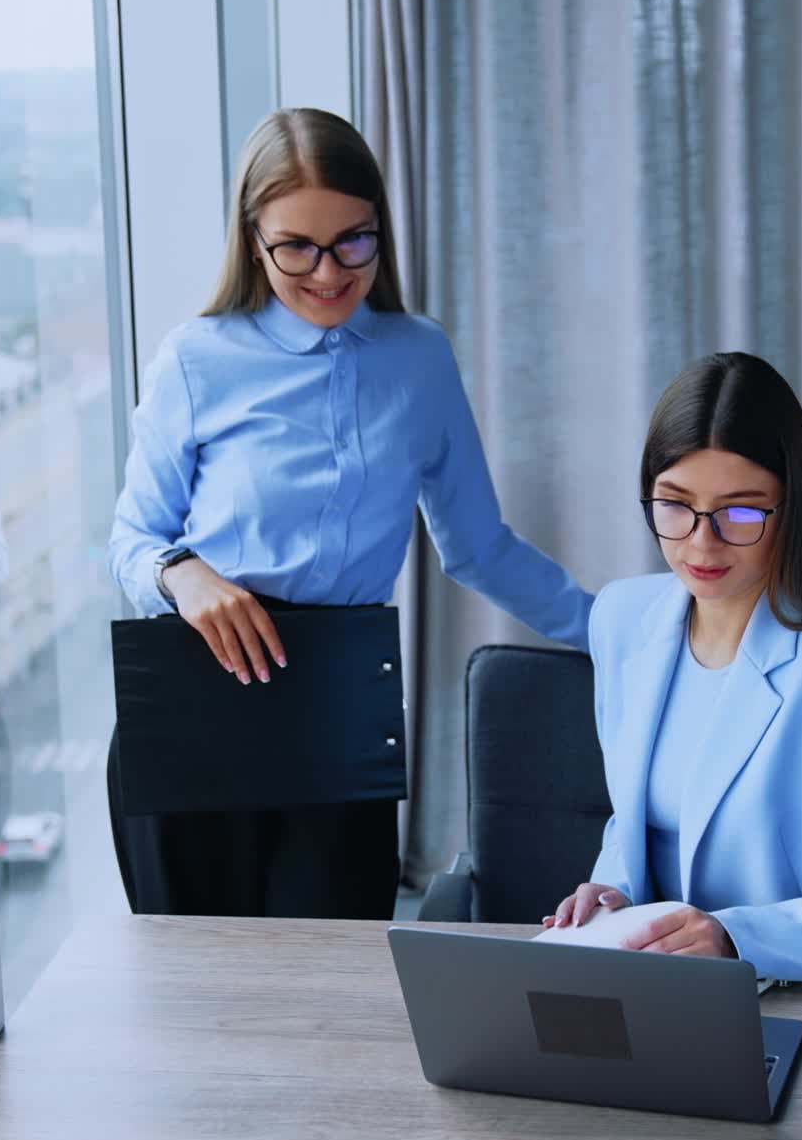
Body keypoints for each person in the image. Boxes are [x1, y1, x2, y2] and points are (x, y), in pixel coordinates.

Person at [107, 107, 593, 922]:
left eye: (352, 241)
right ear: (253, 240)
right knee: (197, 1005)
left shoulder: (420, 357)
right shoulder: (196, 356)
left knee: (339, 994)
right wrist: (180, 574)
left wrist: (616, 631)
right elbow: (130, 541)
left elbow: (478, 548)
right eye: (296, 246)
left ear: (380, 231)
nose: (329, 272)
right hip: (194, 704)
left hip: (338, 708)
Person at [544, 352, 802, 981]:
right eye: (674, 504)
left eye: (741, 513)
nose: (701, 542)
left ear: (791, 509)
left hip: (797, 996)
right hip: (653, 988)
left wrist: (737, 937)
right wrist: (615, 893)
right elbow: (638, 819)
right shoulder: (621, 617)